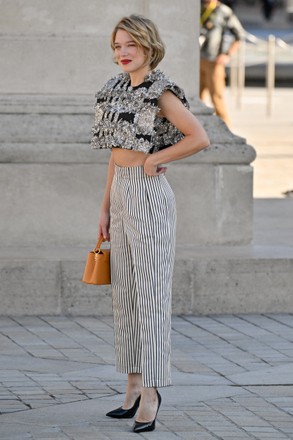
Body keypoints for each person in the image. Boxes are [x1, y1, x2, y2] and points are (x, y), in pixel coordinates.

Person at [91, 14, 210, 433]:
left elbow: (198, 137)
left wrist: (156, 159)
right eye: (117, 46)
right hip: (122, 192)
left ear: (147, 47)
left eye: (130, 46)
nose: (122, 53)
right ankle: (132, 385)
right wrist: (104, 207)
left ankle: (153, 391)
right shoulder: (115, 89)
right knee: (124, 295)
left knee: (151, 295)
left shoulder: (162, 91)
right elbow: (114, 151)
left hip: (148, 195)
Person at [200, 0, 245, 126]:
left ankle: (227, 129)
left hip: (214, 61)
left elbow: (239, 35)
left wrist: (227, 54)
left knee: (217, 98)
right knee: (195, 99)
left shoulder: (223, 11)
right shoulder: (196, 8)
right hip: (196, 60)